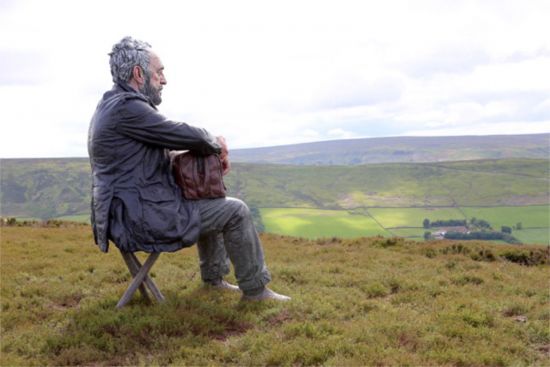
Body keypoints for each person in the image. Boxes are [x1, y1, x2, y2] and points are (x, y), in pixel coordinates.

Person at [88, 36, 290, 302]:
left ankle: (214, 278)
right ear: (139, 74)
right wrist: (216, 143)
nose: (164, 79)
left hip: (125, 214)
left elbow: (157, 149)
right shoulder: (128, 108)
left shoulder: (111, 105)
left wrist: (204, 150)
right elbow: (180, 132)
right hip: (140, 218)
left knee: (208, 198)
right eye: (159, 72)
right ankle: (256, 291)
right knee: (236, 211)